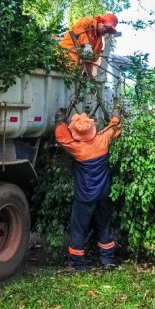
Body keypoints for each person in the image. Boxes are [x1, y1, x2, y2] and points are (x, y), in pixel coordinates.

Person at [55, 108, 122, 271]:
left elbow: (61, 137)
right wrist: (116, 113)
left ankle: (79, 263)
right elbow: (114, 127)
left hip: (84, 197)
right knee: (104, 225)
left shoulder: (76, 148)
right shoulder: (102, 140)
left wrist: (60, 120)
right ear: (92, 129)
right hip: (103, 194)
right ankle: (107, 260)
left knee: (79, 228)